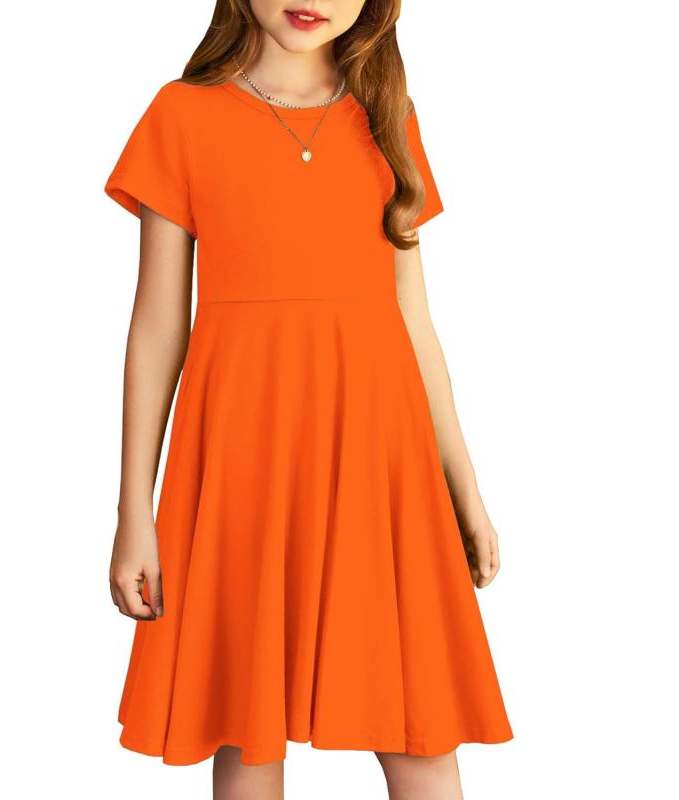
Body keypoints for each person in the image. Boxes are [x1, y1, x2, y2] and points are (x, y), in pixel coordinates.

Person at [105, 1, 513, 797]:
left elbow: (414, 322)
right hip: (242, 455)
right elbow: (157, 327)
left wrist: (464, 488)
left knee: (420, 727)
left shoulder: (387, 117)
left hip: (378, 459)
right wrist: (134, 511)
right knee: (244, 724)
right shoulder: (182, 115)